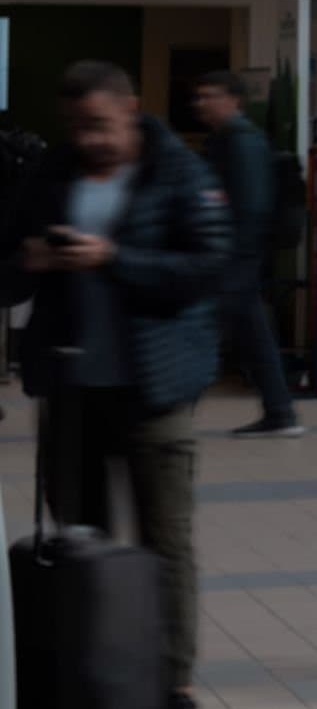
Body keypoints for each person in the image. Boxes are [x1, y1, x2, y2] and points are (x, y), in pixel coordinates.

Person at [0, 61, 230, 709]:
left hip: (154, 388)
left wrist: (113, 258)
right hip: (71, 391)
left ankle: (173, 681)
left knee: (167, 542)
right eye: (76, 127)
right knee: (80, 538)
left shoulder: (178, 171)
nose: (89, 139)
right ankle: (93, 665)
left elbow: (206, 267)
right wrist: (29, 260)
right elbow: (6, 271)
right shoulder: (50, 175)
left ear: (131, 108)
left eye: (100, 124)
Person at [193, 71, 302, 438]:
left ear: (234, 100)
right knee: (253, 336)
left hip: (234, 259)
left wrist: (232, 257)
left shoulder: (241, 142)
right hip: (236, 258)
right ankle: (280, 411)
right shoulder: (227, 140)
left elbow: (250, 206)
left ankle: (166, 413)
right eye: (200, 96)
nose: (202, 103)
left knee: (199, 331)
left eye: (211, 96)